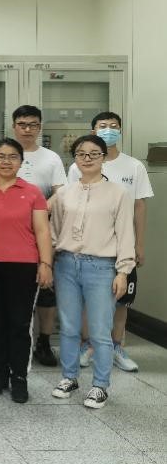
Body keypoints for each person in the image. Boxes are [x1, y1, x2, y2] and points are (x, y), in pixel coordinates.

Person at [50, 135, 135, 409]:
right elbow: (54, 230)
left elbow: (125, 234)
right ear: (74, 158)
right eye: (81, 153)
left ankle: (100, 386)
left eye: (94, 153)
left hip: (101, 267)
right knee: (69, 327)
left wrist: (123, 271)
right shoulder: (64, 193)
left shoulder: (118, 194)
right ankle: (69, 377)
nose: (87, 158)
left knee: (99, 330)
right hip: (66, 264)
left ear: (103, 157)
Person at [68, 112, 153, 373]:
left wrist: (139, 244)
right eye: (103, 126)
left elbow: (139, 207)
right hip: (91, 245)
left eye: (114, 126)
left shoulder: (134, 166)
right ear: (93, 131)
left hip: (123, 245)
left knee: (121, 299)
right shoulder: (78, 166)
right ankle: (88, 346)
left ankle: (116, 346)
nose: (109, 130)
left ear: (121, 130)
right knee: (88, 299)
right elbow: (72, 203)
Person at [0, 138, 53, 403]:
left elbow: (42, 231)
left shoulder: (33, 193)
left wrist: (45, 264)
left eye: (12, 157)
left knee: (20, 324)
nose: (6, 161)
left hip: (24, 266)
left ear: (21, 162)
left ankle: (19, 376)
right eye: (1, 156)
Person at [11, 105, 66, 368]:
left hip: (43, 230)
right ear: (14, 127)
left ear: (40, 127)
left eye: (33, 124)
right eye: (22, 124)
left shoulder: (51, 158)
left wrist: (39, 209)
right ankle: (16, 340)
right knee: (16, 289)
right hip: (10, 232)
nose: (27, 129)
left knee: (46, 288)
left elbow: (61, 191)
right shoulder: (5, 153)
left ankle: (44, 341)